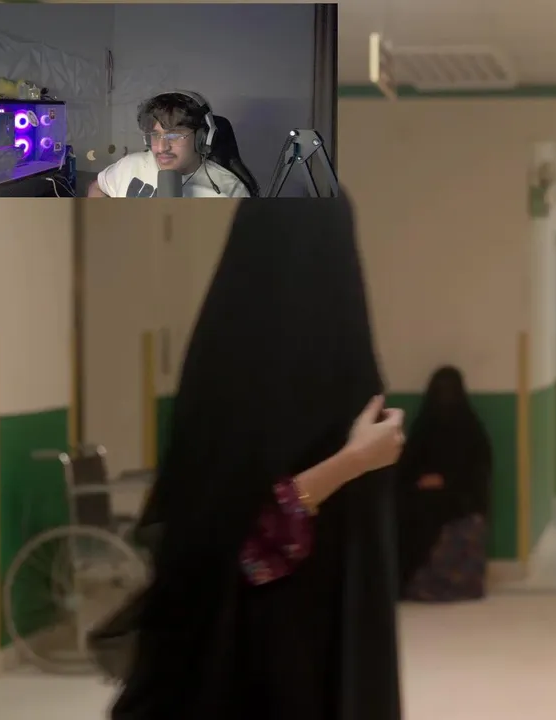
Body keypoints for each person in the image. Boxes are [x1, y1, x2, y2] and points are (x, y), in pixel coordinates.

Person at [110, 195, 405, 720]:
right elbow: (235, 550)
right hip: (244, 665)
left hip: (311, 650)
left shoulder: (327, 370)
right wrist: (352, 461)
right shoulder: (234, 386)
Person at [395, 366, 493, 603]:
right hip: (422, 501)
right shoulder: (423, 429)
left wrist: (447, 481)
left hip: (461, 503)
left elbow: (478, 478)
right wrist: (421, 481)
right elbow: (405, 470)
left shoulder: (472, 432)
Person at [88, 91, 253, 198]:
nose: (161, 148)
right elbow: (98, 187)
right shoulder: (130, 165)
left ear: (202, 138)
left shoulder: (231, 190)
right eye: (155, 135)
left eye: (174, 135)